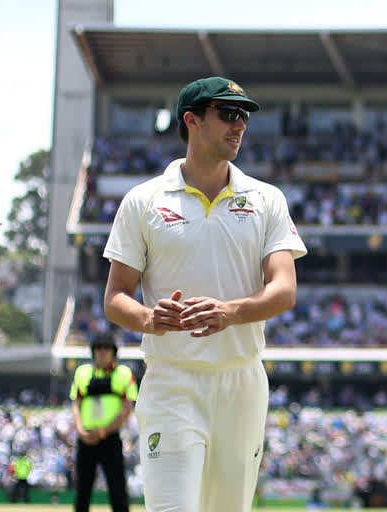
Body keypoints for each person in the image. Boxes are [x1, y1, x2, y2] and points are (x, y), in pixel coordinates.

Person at [102, 76, 307, 512]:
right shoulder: (144, 200)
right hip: (172, 380)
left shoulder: (267, 199)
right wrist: (147, 319)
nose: (240, 125)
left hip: (243, 383)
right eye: (228, 114)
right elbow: (116, 297)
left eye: (244, 116)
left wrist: (230, 312)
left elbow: (285, 290)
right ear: (191, 120)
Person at [70, 335, 138, 512]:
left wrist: (104, 431)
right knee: (82, 491)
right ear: (93, 351)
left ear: (113, 352)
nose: (102, 352)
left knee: (117, 490)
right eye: (98, 348)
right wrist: (80, 430)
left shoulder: (124, 373)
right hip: (85, 438)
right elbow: (76, 403)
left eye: (106, 348)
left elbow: (127, 407)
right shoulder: (82, 372)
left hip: (110, 438)